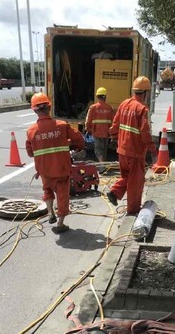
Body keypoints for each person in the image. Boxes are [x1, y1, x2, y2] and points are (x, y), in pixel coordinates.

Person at [26, 93, 85, 233]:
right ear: (49, 107)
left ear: (34, 110)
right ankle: (60, 223)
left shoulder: (31, 131)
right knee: (62, 195)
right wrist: (75, 147)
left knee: (47, 189)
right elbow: (79, 139)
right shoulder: (62, 125)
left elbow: (30, 152)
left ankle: (50, 212)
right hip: (61, 169)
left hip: (44, 169)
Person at [106, 76, 157, 215]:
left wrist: (115, 138)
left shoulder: (124, 104)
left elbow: (114, 126)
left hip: (122, 150)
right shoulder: (142, 109)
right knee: (136, 182)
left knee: (127, 177)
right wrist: (153, 151)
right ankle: (133, 210)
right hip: (134, 151)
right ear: (146, 93)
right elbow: (145, 133)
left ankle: (115, 192)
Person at [85, 87, 114, 162]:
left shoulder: (93, 107)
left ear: (97, 96)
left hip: (96, 132)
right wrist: (112, 133)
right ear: (105, 96)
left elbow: (88, 120)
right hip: (106, 132)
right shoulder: (109, 107)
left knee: (98, 149)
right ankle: (103, 165)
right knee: (104, 149)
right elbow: (113, 121)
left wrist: (87, 129)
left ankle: (101, 164)